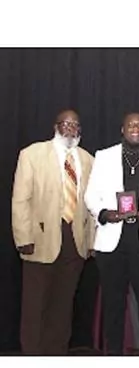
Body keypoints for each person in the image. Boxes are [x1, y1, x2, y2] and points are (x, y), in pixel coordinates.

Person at [84, 112, 139, 355]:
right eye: (131, 125)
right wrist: (104, 213)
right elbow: (91, 195)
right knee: (113, 303)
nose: (136, 128)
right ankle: (113, 352)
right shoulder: (104, 156)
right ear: (122, 129)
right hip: (112, 242)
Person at [11, 109, 96, 355]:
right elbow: (20, 200)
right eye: (65, 123)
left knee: (63, 304)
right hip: (39, 239)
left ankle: (56, 354)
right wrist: (23, 237)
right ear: (55, 126)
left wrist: (91, 240)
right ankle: (32, 355)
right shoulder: (32, 154)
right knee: (35, 304)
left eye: (75, 124)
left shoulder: (88, 159)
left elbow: (92, 203)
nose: (70, 128)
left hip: (75, 241)